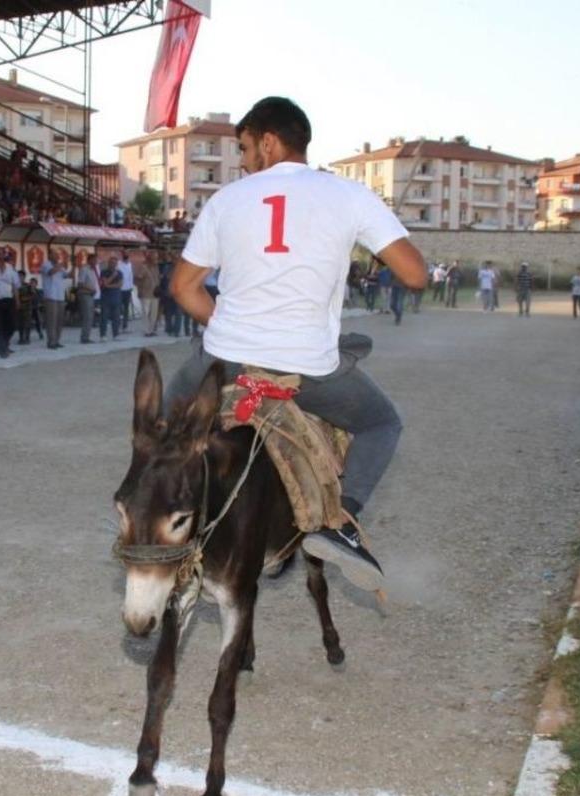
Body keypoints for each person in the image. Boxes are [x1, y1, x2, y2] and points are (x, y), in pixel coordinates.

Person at [168, 96, 425, 588]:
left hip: (226, 359)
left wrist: (234, 324)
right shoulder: (350, 195)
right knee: (381, 424)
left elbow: (183, 288)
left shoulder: (225, 200)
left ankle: (165, 513)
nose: (242, 162)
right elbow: (414, 275)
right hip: (306, 366)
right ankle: (340, 524)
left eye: (244, 148)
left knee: (164, 418)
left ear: (268, 141)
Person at [40, 254, 68, 350]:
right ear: (50, 255)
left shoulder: (60, 266)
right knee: (51, 320)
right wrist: (60, 265)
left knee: (59, 320)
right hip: (50, 296)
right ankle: (51, 342)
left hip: (60, 296)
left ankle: (57, 340)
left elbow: (67, 275)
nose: (58, 256)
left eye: (58, 255)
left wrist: (72, 265)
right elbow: (51, 272)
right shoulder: (46, 264)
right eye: (56, 255)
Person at [75, 253, 100, 344]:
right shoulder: (84, 269)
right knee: (87, 316)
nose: (96, 262)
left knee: (90, 316)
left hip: (91, 295)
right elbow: (80, 284)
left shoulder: (93, 270)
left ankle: (86, 336)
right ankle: (84, 337)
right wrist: (90, 289)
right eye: (94, 260)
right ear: (90, 260)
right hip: (85, 294)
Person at [136, 250, 161, 336]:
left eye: (156, 258)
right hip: (145, 293)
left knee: (154, 313)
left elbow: (158, 278)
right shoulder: (143, 267)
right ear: (150, 258)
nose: (156, 259)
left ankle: (152, 330)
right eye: (154, 258)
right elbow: (138, 279)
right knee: (145, 313)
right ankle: (146, 331)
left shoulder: (156, 267)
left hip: (155, 294)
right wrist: (139, 290)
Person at [99, 255, 123, 341]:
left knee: (116, 317)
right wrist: (113, 276)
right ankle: (103, 335)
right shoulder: (104, 272)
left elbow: (119, 285)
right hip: (106, 298)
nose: (113, 264)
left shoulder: (119, 273)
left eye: (115, 263)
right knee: (104, 317)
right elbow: (104, 284)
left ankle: (116, 334)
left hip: (116, 297)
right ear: (108, 263)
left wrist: (109, 285)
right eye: (111, 263)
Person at [117, 248, 135, 331]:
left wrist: (131, 287)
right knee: (119, 307)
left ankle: (125, 325)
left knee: (126, 307)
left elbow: (131, 276)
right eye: (124, 253)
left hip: (128, 289)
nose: (126, 255)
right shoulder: (118, 264)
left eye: (127, 254)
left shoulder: (130, 264)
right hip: (120, 289)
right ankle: (117, 324)